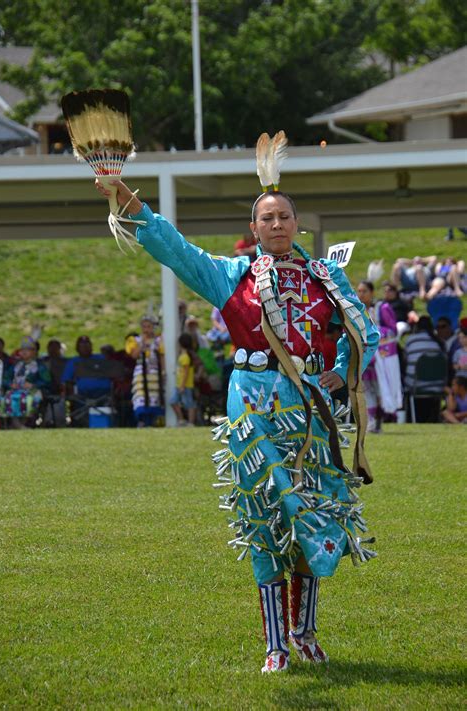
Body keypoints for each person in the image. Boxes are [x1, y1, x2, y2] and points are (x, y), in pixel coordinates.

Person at [95, 139, 379, 675]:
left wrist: (342, 371)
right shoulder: (234, 276)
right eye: (266, 218)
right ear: (255, 229)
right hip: (252, 407)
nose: (276, 224)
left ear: (296, 223)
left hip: (311, 408)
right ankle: (275, 643)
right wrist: (126, 198)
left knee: (312, 516)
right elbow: (176, 249)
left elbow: (364, 330)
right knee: (265, 519)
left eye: (284, 216)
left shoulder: (327, 278)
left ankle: (306, 631)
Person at [357, 281, 403, 431]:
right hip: (365, 355)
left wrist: (375, 331)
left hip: (382, 357)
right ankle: (371, 420)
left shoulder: (382, 308)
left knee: (381, 388)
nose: (361, 294)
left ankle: (378, 420)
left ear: (372, 292)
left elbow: (393, 330)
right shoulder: (357, 309)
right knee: (367, 388)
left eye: (364, 291)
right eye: (359, 291)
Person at [0, 336, 51, 428]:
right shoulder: (15, 365)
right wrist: (10, 384)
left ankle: (22, 423)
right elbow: (5, 378)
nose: (24, 352)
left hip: (32, 391)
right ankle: (15, 423)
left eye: (28, 350)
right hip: (15, 390)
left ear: (34, 352)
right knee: (8, 398)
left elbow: (47, 381)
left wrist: (33, 384)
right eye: (22, 350)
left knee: (28, 400)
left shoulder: (39, 366)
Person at [403, 316, 446, 422]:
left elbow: (405, 361)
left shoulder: (410, 340)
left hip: (416, 385)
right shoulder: (439, 342)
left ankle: (409, 418)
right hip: (438, 385)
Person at [126, 317, 165, 427]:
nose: (146, 329)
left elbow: (162, 356)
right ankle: (141, 420)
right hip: (141, 373)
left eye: (149, 327)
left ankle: (154, 420)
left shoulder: (158, 340)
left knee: (155, 396)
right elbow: (134, 355)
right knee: (141, 396)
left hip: (155, 373)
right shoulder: (135, 340)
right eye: (144, 327)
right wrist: (143, 342)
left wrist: (163, 371)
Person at [170, 333, 197, 426]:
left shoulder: (185, 357)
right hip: (180, 384)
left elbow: (186, 373)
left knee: (189, 404)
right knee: (173, 401)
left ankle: (190, 422)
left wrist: (182, 385)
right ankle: (182, 419)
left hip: (185, 385)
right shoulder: (184, 355)